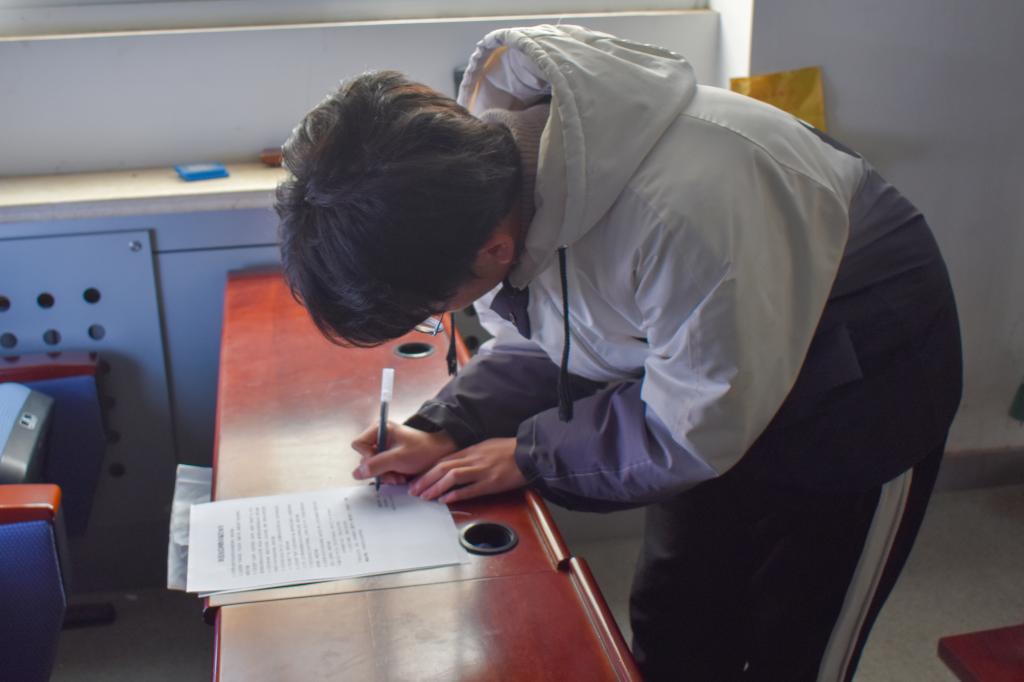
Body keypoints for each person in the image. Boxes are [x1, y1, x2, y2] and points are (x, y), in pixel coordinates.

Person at [275, 25, 962, 682]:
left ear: (493, 251)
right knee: (676, 617)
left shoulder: (683, 216)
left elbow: (686, 432)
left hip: (858, 379)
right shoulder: (484, 191)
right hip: (703, 372)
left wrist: (530, 453)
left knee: (793, 641)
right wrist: (449, 425)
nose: (442, 314)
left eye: (435, 306)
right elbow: (556, 334)